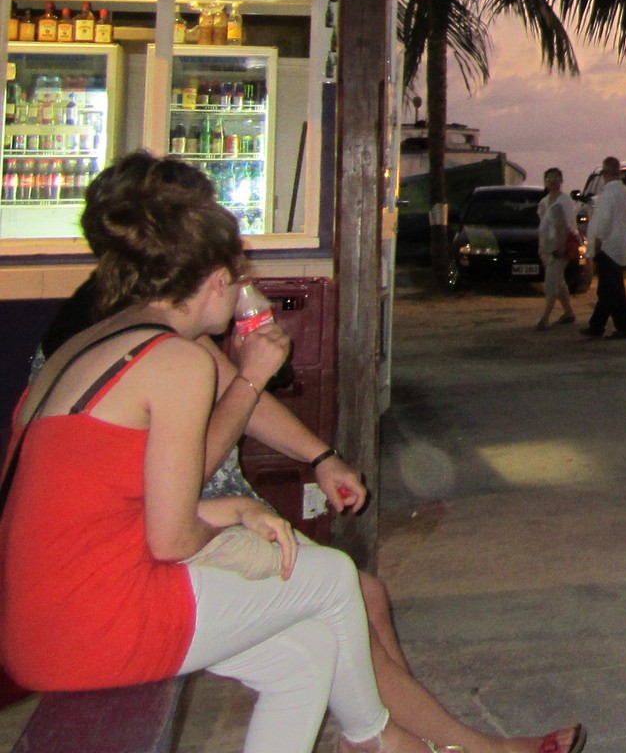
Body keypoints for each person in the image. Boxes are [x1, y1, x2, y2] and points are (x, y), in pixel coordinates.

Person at [30, 161, 585, 753]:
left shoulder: (132, 323)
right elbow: (176, 507)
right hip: (105, 588)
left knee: (326, 633)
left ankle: (409, 737)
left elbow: (175, 464)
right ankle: (391, 739)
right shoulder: (151, 346)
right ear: (195, 258)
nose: (245, 274)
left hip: (101, 564)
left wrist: (320, 456)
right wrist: (249, 385)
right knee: (333, 586)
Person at [0, 154, 429, 753]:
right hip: (93, 620)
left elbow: (127, 505)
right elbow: (170, 541)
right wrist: (252, 379)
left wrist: (231, 511)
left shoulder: (95, 341)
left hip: (38, 620)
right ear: (217, 280)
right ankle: (376, 740)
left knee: (306, 654)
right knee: (332, 578)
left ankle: (377, 736)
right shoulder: (178, 361)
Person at [582, 156, 626, 340]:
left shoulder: (607, 195)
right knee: (606, 290)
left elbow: (603, 222)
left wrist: (596, 244)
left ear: (605, 174)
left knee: (612, 290)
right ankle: (596, 325)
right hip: (619, 245)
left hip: (607, 247)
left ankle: (625, 327)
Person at [533, 167, 578, 329]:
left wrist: (560, 247)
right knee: (558, 281)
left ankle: (545, 318)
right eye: (550, 179)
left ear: (562, 181)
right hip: (547, 246)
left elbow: (566, 227)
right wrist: (542, 247)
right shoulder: (544, 201)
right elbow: (543, 225)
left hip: (561, 246)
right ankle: (568, 312)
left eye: (556, 179)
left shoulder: (563, 201)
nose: (553, 182)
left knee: (551, 282)